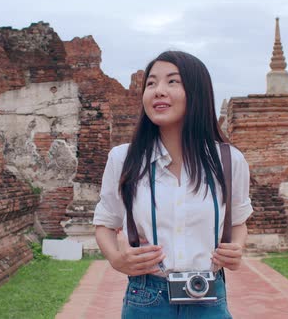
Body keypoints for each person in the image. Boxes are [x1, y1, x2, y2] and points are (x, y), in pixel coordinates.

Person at [93, 50, 253, 318]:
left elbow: (238, 221)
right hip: (146, 297)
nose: (158, 91)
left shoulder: (228, 160)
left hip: (208, 297)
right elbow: (105, 223)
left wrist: (236, 248)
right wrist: (117, 259)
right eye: (151, 83)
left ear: (197, 92)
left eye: (172, 82)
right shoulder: (123, 159)